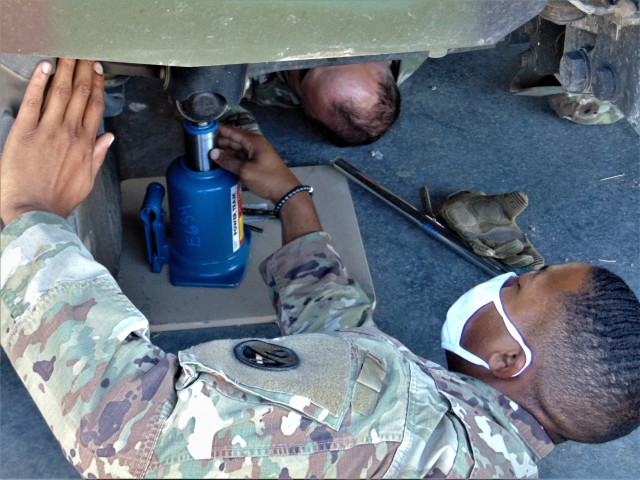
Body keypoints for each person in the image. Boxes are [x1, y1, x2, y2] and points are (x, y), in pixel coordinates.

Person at [1, 59, 639, 479]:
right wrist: (290, 197)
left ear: (509, 360)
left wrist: (29, 214)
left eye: (521, 286)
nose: (500, 284)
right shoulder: (482, 445)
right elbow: (350, 344)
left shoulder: (390, 420)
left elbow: (119, 430)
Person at [244, 58, 427, 146]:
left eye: (304, 70)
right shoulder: (421, 34)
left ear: (307, 108)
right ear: (388, 58)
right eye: (345, 55)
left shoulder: (260, 83)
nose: (314, 51)